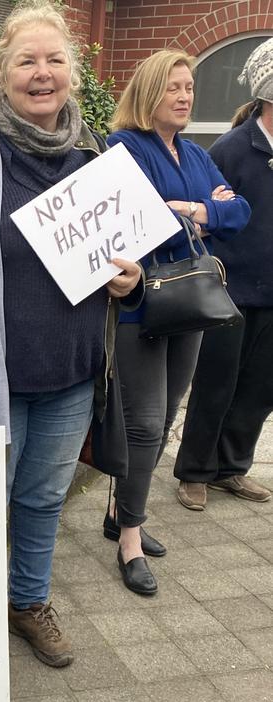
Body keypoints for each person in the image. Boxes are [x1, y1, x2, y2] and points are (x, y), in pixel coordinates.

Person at [0, 0, 142, 668]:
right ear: (1, 74)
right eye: (25, 61)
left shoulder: (96, 154)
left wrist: (129, 279)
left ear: (73, 70)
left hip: (73, 371)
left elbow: (128, 254)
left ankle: (27, 600)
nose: (41, 74)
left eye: (54, 59)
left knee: (42, 499)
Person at [105, 51, 250, 594]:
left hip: (190, 303)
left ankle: (119, 510)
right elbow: (139, 220)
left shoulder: (195, 152)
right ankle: (130, 539)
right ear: (148, 92)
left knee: (165, 416)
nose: (186, 96)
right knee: (142, 425)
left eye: (189, 87)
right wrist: (200, 213)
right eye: (174, 87)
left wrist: (191, 210)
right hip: (141, 303)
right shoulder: (125, 146)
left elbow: (240, 214)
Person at [175, 38, 273, 511]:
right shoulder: (235, 148)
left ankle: (232, 468)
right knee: (216, 383)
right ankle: (195, 471)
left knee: (260, 387)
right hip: (230, 290)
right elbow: (214, 217)